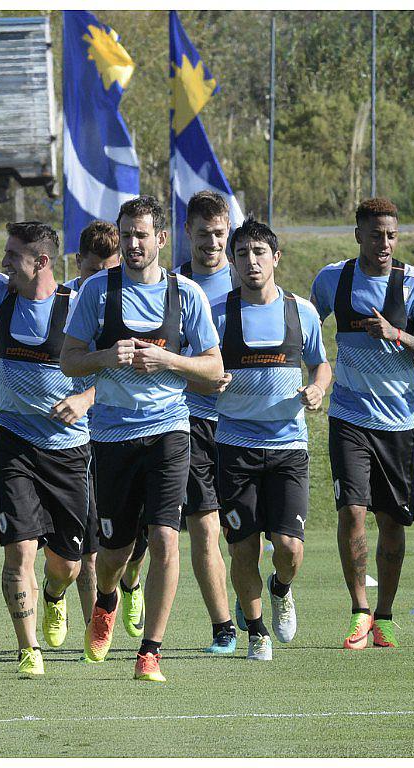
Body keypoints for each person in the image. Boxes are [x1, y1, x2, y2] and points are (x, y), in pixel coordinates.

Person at [60, 195, 222, 682]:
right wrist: (108, 356)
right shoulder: (97, 292)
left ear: (161, 239)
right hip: (111, 436)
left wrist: (168, 361)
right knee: (114, 554)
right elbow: (69, 360)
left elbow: (214, 370)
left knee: (166, 539)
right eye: (127, 234)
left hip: (171, 429)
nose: (133, 243)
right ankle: (107, 599)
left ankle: (150, 650)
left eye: (142, 235)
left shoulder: (185, 294)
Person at [0, 221, 93, 678]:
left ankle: (53, 595)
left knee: (66, 566)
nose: (4, 262)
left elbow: (112, 374)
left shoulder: (79, 305)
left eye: (13, 255)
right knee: (19, 551)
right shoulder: (1, 292)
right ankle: (29, 651)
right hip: (14, 443)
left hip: (69, 450)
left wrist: (84, 399)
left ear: (42, 262)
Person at [309, 197, 414, 650]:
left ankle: (385, 614)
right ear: (358, 236)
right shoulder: (334, 280)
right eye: (375, 234)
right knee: (351, 511)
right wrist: (314, 379)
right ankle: (359, 611)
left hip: (399, 422)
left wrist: (398, 334)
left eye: (391, 234)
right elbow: (307, 331)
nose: (384, 243)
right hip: (349, 416)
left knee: (393, 522)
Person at [195, 220, 330, 661]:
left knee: (289, 549)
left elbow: (320, 365)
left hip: (290, 447)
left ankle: (281, 589)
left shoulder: (301, 311)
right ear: (231, 262)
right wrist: (209, 382)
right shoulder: (216, 313)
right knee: (243, 549)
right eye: (242, 254)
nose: (251, 262)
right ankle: (256, 632)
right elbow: (193, 372)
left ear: (276, 258)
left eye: (259, 252)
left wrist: (318, 388)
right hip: (234, 447)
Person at [68, 221, 149, 643]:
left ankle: (131, 582)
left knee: (137, 538)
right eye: (93, 268)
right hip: (72, 441)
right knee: (88, 542)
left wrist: (86, 398)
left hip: (118, 431)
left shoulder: (125, 298)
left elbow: (128, 375)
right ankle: (93, 627)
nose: (102, 276)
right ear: (78, 262)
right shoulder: (65, 296)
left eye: (110, 267)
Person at [175, 191, 240, 653]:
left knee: (248, 536)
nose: (212, 243)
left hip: (244, 425)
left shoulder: (249, 281)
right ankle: (223, 626)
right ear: (187, 233)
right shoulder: (171, 286)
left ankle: (262, 592)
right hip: (191, 421)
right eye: (203, 234)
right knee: (205, 527)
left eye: (220, 234)